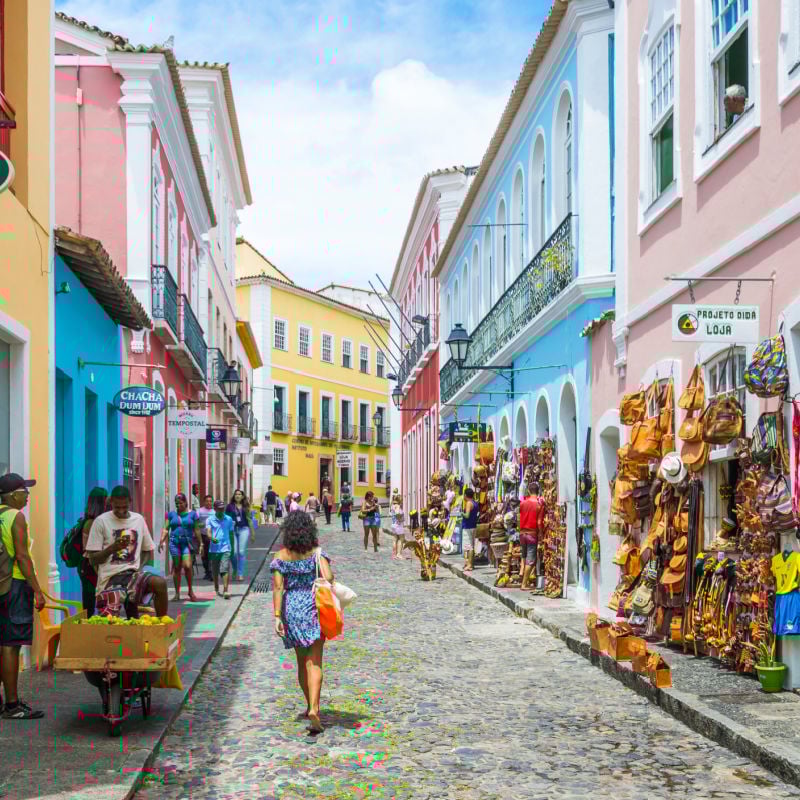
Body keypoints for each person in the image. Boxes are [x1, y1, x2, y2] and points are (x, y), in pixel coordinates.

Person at [271, 511, 334, 734]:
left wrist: (277, 616)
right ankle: (315, 708)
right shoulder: (316, 552)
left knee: (301, 661)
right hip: (313, 606)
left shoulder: (281, 556)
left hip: (292, 609)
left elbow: (278, 587)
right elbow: (328, 577)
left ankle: (309, 705)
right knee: (314, 661)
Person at [0, 473, 46, 719]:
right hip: (14, 585)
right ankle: (12, 705)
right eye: (24, 491)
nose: (27, 495)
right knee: (11, 645)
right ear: (12, 495)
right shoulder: (15, 517)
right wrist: (37, 589)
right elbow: (22, 556)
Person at [86, 485, 168, 619]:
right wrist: (112, 548)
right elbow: (93, 559)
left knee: (160, 583)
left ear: (130, 501)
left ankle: (162, 623)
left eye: (124, 507)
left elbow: (147, 550)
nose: (121, 511)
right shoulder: (101, 521)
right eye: (117, 507)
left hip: (133, 575)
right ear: (111, 501)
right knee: (109, 619)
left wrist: (139, 568)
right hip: (110, 578)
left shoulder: (138, 519)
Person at [159, 493, 203, 602]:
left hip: (186, 543)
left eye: (181, 503)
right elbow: (166, 528)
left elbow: (197, 529)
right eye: (177, 503)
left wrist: (201, 543)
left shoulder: (193, 514)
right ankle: (177, 593)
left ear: (186, 502)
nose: (178, 505)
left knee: (188, 566)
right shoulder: (171, 514)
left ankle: (190, 590)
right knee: (177, 567)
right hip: (174, 543)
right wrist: (161, 540)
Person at [77, 486, 109, 618]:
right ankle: (89, 627)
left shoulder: (91, 521)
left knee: (92, 600)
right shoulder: (92, 523)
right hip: (90, 566)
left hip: (89, 565)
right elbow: (91, 552)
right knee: (90, 602)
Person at [206, 501, 234, 599]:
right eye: (219, 509)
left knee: (224, 568)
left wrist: (232, 547)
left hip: (226, 547)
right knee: (215, 570)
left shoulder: (229, 519)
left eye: (223, 508)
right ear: (215, 509)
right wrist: (211, 538)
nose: (222, 510)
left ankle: (225, 590)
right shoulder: (210, 519)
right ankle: (216, 587)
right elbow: (208, 532)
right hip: (214, 549)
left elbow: (231, 533)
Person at [226, 489, 256, 582]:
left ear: (242, 496)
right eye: (236, 494)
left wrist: (253, 533)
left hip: (244, 529)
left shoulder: (246, 506)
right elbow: (226, 519)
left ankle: (240, 573)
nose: (237, 496)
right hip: (233, 530)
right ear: (234, 496)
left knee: (241, 552)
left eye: (239, 494)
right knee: (234, 552)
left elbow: (250, 520)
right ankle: (235, 568)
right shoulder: (229, 506)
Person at [519, 482, 544, 589]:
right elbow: (539, 522)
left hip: (522, 533)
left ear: (529, 491)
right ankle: (524, 584)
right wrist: (541, 533)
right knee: (531, 560)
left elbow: (520, 517)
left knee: (524, 555)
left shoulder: (523, 503)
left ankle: (522, 574)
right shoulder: (539, 505)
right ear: (538, 491)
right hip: (532, 534)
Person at [197, 494, 215, 581]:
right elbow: (195, 523)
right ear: (204, 502)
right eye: (207, 501)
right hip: (202, 535)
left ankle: (211, 572)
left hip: (211, 536)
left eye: (210, 501)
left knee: (210, 554)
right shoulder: (199, 511)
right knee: (204, 555)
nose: (209, 503)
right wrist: (200, 524)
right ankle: (207, 572)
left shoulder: (214, 512)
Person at [462, 487, 478, 573]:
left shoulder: (469, 503)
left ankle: (469, 565)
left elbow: (467, 515)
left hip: (468, 526)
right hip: (473, 526)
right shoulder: (475, 503)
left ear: (465, 495)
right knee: (471, 545)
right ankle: (470, 563)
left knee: (468, 546)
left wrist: (462, 513)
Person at [388, 490, 406, 560]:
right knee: (401, 539)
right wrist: (401, 518)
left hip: (393, 524)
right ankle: (399, 554)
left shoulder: (392, 506)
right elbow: (397, 514)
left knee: (395, 539)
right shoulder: (397, 506)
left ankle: (394, 554)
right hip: (398, 525)